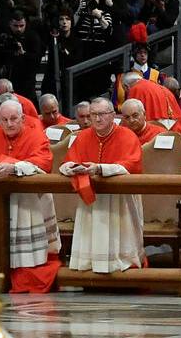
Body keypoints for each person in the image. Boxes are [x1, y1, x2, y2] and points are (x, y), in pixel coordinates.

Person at [0, 97, 61, 292]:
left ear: (23, 118)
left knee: (28, 258)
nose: (9, 124)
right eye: (4, 120)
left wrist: (15, 167)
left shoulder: (37, 135)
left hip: (27, 202)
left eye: (14, 119)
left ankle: (25, 271)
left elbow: (43, 162)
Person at [61, 98, 146, 274]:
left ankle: (122, 269)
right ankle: (89, 270)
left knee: (119, 240)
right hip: (91, 199)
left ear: (112, 115)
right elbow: (68, 161)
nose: (97, 119)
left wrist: (100, 168)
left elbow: (131, 165)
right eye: (94, 115)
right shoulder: (83, 136)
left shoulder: (127, 135)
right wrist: (69, 168)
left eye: (102, 114)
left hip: (119, 200)